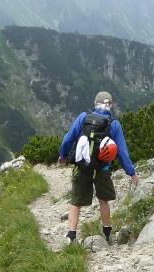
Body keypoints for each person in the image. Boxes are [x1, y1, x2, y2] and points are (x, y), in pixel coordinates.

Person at [57, 91, 139, 245]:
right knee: (103, 201)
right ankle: (107, 234)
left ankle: (71, 236)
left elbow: (68, 138)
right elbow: (122, 152)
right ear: (110, 105)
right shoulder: (114, 124)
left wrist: (63, 155)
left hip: (82, 167)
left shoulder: (83, 118)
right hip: (102, 169)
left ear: (95, 104)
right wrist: (131, 173)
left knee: (76, 202)